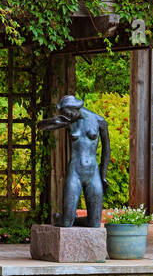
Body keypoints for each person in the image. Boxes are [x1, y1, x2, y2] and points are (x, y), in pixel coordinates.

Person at [38, 95, 110, 227]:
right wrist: (57, 121)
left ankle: (74, 219)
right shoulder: (69, 121)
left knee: (95, 224)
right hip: (75, 172)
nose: (66, 116)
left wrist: (103, 175)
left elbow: (107, 149)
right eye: (63, 113)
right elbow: (40, 126)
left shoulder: (98, 120)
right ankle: (66, 218)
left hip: (93, 173)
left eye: (66, 113)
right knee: (66, 224)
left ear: (76, 108)